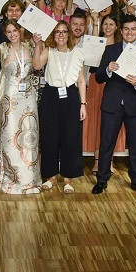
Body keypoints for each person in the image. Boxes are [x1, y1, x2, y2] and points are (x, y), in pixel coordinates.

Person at [91, 15, 136, 197]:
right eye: (126, 29)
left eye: (133, 29)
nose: (129, 32)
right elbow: (98, 77)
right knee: (106, 144)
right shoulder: (111, 50)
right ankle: (102, 180)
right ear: (121, 31)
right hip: (112, 104)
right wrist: (107, 70)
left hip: (135, 105)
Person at [0, 14, 41, 195]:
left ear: (20, 31)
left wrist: (38, 43)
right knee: (10, 138)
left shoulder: (29, 46)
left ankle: (30, 180)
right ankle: (11, 178)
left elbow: (37, 65)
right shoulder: (3, 48)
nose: (12, 35)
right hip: (10, 99)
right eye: (8, 32)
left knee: (29, 137)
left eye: (14, 31)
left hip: (28, 98)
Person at [32, 21, 87, 193]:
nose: (61, 35)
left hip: (70, 97)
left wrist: (83, 104)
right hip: (50, 96)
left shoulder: (77, 52)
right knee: (50, 137)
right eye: (57, 32)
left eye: (64, 32)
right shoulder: (49, 51)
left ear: (69, 34)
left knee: (70, 138)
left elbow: (81, 80)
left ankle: (68, 178)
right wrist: (37, 45)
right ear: (53, 35)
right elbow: (36, 66)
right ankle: (50, 176)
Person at [83, 15, 123, 173]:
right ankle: (98, 160)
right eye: (105, 24)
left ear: (116, 27)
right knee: (97, 121)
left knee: (112, 123)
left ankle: (109, 160)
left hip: (115, 86)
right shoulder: (96, 42)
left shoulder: (121, 46)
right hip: (96, 84)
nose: (108, 27)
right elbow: (91, 64)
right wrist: (93, 22)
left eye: (111, 23)